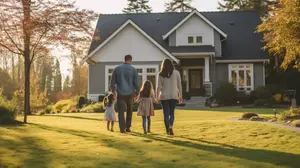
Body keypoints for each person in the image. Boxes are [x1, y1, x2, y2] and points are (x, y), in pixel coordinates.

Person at [110, 55, 140, 133]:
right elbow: (136, 83)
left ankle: (122, 128)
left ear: (124, 60)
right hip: (130, 93)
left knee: (121, 111)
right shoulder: (134, 70)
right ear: (131, 60)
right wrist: (137, 93)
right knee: (129, 110)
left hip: (120, 93)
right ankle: (128, 127)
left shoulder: (117, 69)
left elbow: (112, 82)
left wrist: (113, 92)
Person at [157, 59, 182, 136]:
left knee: (166, 114)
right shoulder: (176, 73)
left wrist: (157, 97)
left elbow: (158, 87)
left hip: (164, 96)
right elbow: (179, 85)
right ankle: (171, 126)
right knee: (172, 113)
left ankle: (167, 129)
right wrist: (180, 95)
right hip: (174, 96)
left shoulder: (160, 74)